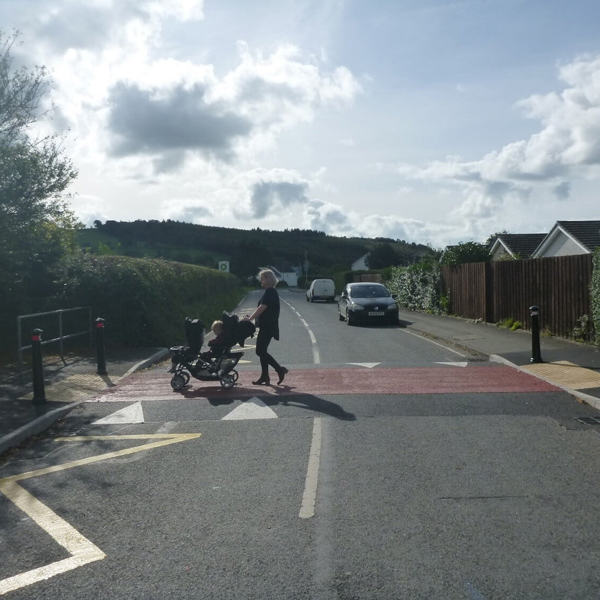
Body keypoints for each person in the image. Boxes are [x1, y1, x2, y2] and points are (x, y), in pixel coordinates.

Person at [244, 269, 288, 385]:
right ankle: (265, 376)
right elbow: (262, 308)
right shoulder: (270, 291)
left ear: (268, 279)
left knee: (260, 351)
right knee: (262, 351)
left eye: (262, 278)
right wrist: (251, 317)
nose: (261, 281)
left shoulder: (270, 292)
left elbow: (262, 307)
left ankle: (279, 369)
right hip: (267, 326)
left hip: (268, 326)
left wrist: (250, 318)